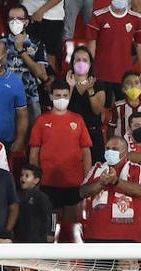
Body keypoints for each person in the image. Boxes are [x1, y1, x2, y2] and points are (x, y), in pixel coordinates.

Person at [28, 81, 92, 227]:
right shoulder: (41, 121)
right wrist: (35, 178)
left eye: (64, 95)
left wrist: (88, 176)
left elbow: (86, 151)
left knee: (72, 226)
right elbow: (34, 153)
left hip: (74, 181)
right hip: (48, 181)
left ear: (69, 96)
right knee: (51, 226)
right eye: (58, 95)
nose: (61, 98)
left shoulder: (78, 120)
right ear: (51, 96)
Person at [78, 136, 141, 243]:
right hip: (95, 235)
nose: (110, 152)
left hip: (127, 237)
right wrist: (100, 183)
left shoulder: (137, 169)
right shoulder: (97, 168)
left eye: (114, 149)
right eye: (107, 148)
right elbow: (82, 192)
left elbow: (139, 191)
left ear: (125, 153)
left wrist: (115, 181)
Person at [85, 0, 141, 92]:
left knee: (122, 105)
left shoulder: (136, 18)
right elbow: (91, 45)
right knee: (103, 105)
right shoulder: (98, 15)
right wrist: (89, 71)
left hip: (125, 76)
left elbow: (140, 45)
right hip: (101, 73)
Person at [2, 6, 49, 120]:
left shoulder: (36, 43)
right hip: (4, 97)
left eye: (19, 18)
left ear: (26, 22)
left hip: (30, 98)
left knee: (32, 135)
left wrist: (22, 52)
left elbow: (42, 74)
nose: (15, 22)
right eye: (11, 19)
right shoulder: (0, 44)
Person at [0, 41, 29, 151]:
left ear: (4, 56)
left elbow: (22, 115)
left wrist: (20, 140)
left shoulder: (15, 83)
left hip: (4, 141)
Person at [15, 164, 53, 244]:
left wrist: (51, 233)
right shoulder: (17, 195)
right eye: (21, 175)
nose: (23, 178)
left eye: (27, 176)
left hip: (37, 238)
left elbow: (52, 215)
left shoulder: (41, 197)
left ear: (36, 180)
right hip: (20, 237)